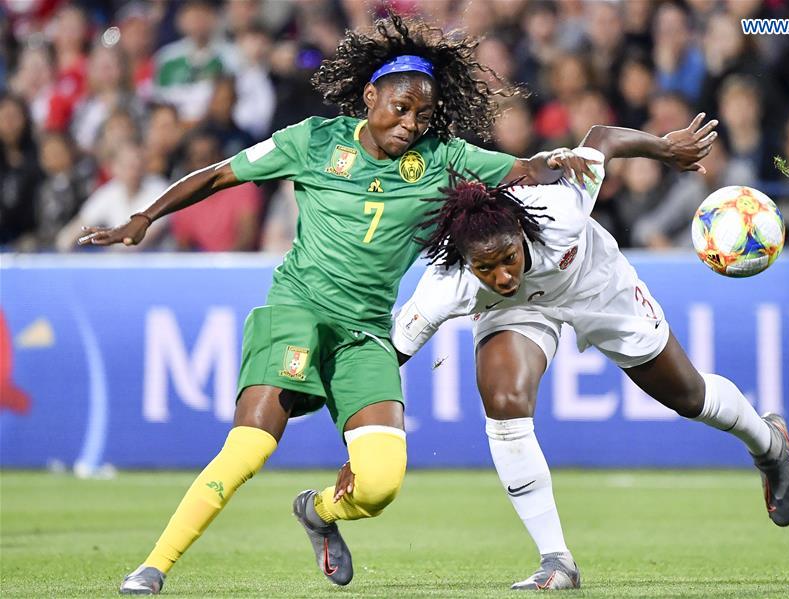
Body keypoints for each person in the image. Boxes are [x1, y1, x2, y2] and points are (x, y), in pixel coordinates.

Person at [78, 13, 596, 595]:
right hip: (298, 309)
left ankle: (318, 512)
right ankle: (152, 568)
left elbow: (523, 170)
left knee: (378, 485)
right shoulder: (313, 140)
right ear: (370, 95)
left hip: (366, 334)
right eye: (400, 108)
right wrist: (146, 217)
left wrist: (560, 160)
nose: (410, 124)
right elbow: (220, 175)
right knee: (249, 446)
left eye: (424, 115)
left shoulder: (443, 157)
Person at [335, 114, 789, 590]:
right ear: (466, 263)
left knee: (690, 398)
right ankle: (557, 561)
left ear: (521, 232)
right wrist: (363, 442)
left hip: (597, 287)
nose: (501, 274)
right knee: (504, 402)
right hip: (515, 312)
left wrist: (664, 148)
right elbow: (386, 359)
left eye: (508, 258)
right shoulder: (446, 285)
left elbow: (600, 139)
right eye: (485, 267)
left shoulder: (562, 208)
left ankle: (769, 444)